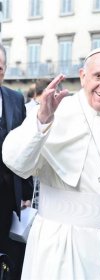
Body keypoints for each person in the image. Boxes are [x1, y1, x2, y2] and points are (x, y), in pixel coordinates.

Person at [3, 47, 100, 280]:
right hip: (63, 246)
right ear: (83, 75)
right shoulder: (52, 112)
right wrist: (41, 122)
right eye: (98, 76)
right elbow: (16, 162)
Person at [0, 44, 34, 280]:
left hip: (6, 195)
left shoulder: (15, 98)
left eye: (0, 68)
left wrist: (26, 189)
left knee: (7, 254)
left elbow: (25, 147)